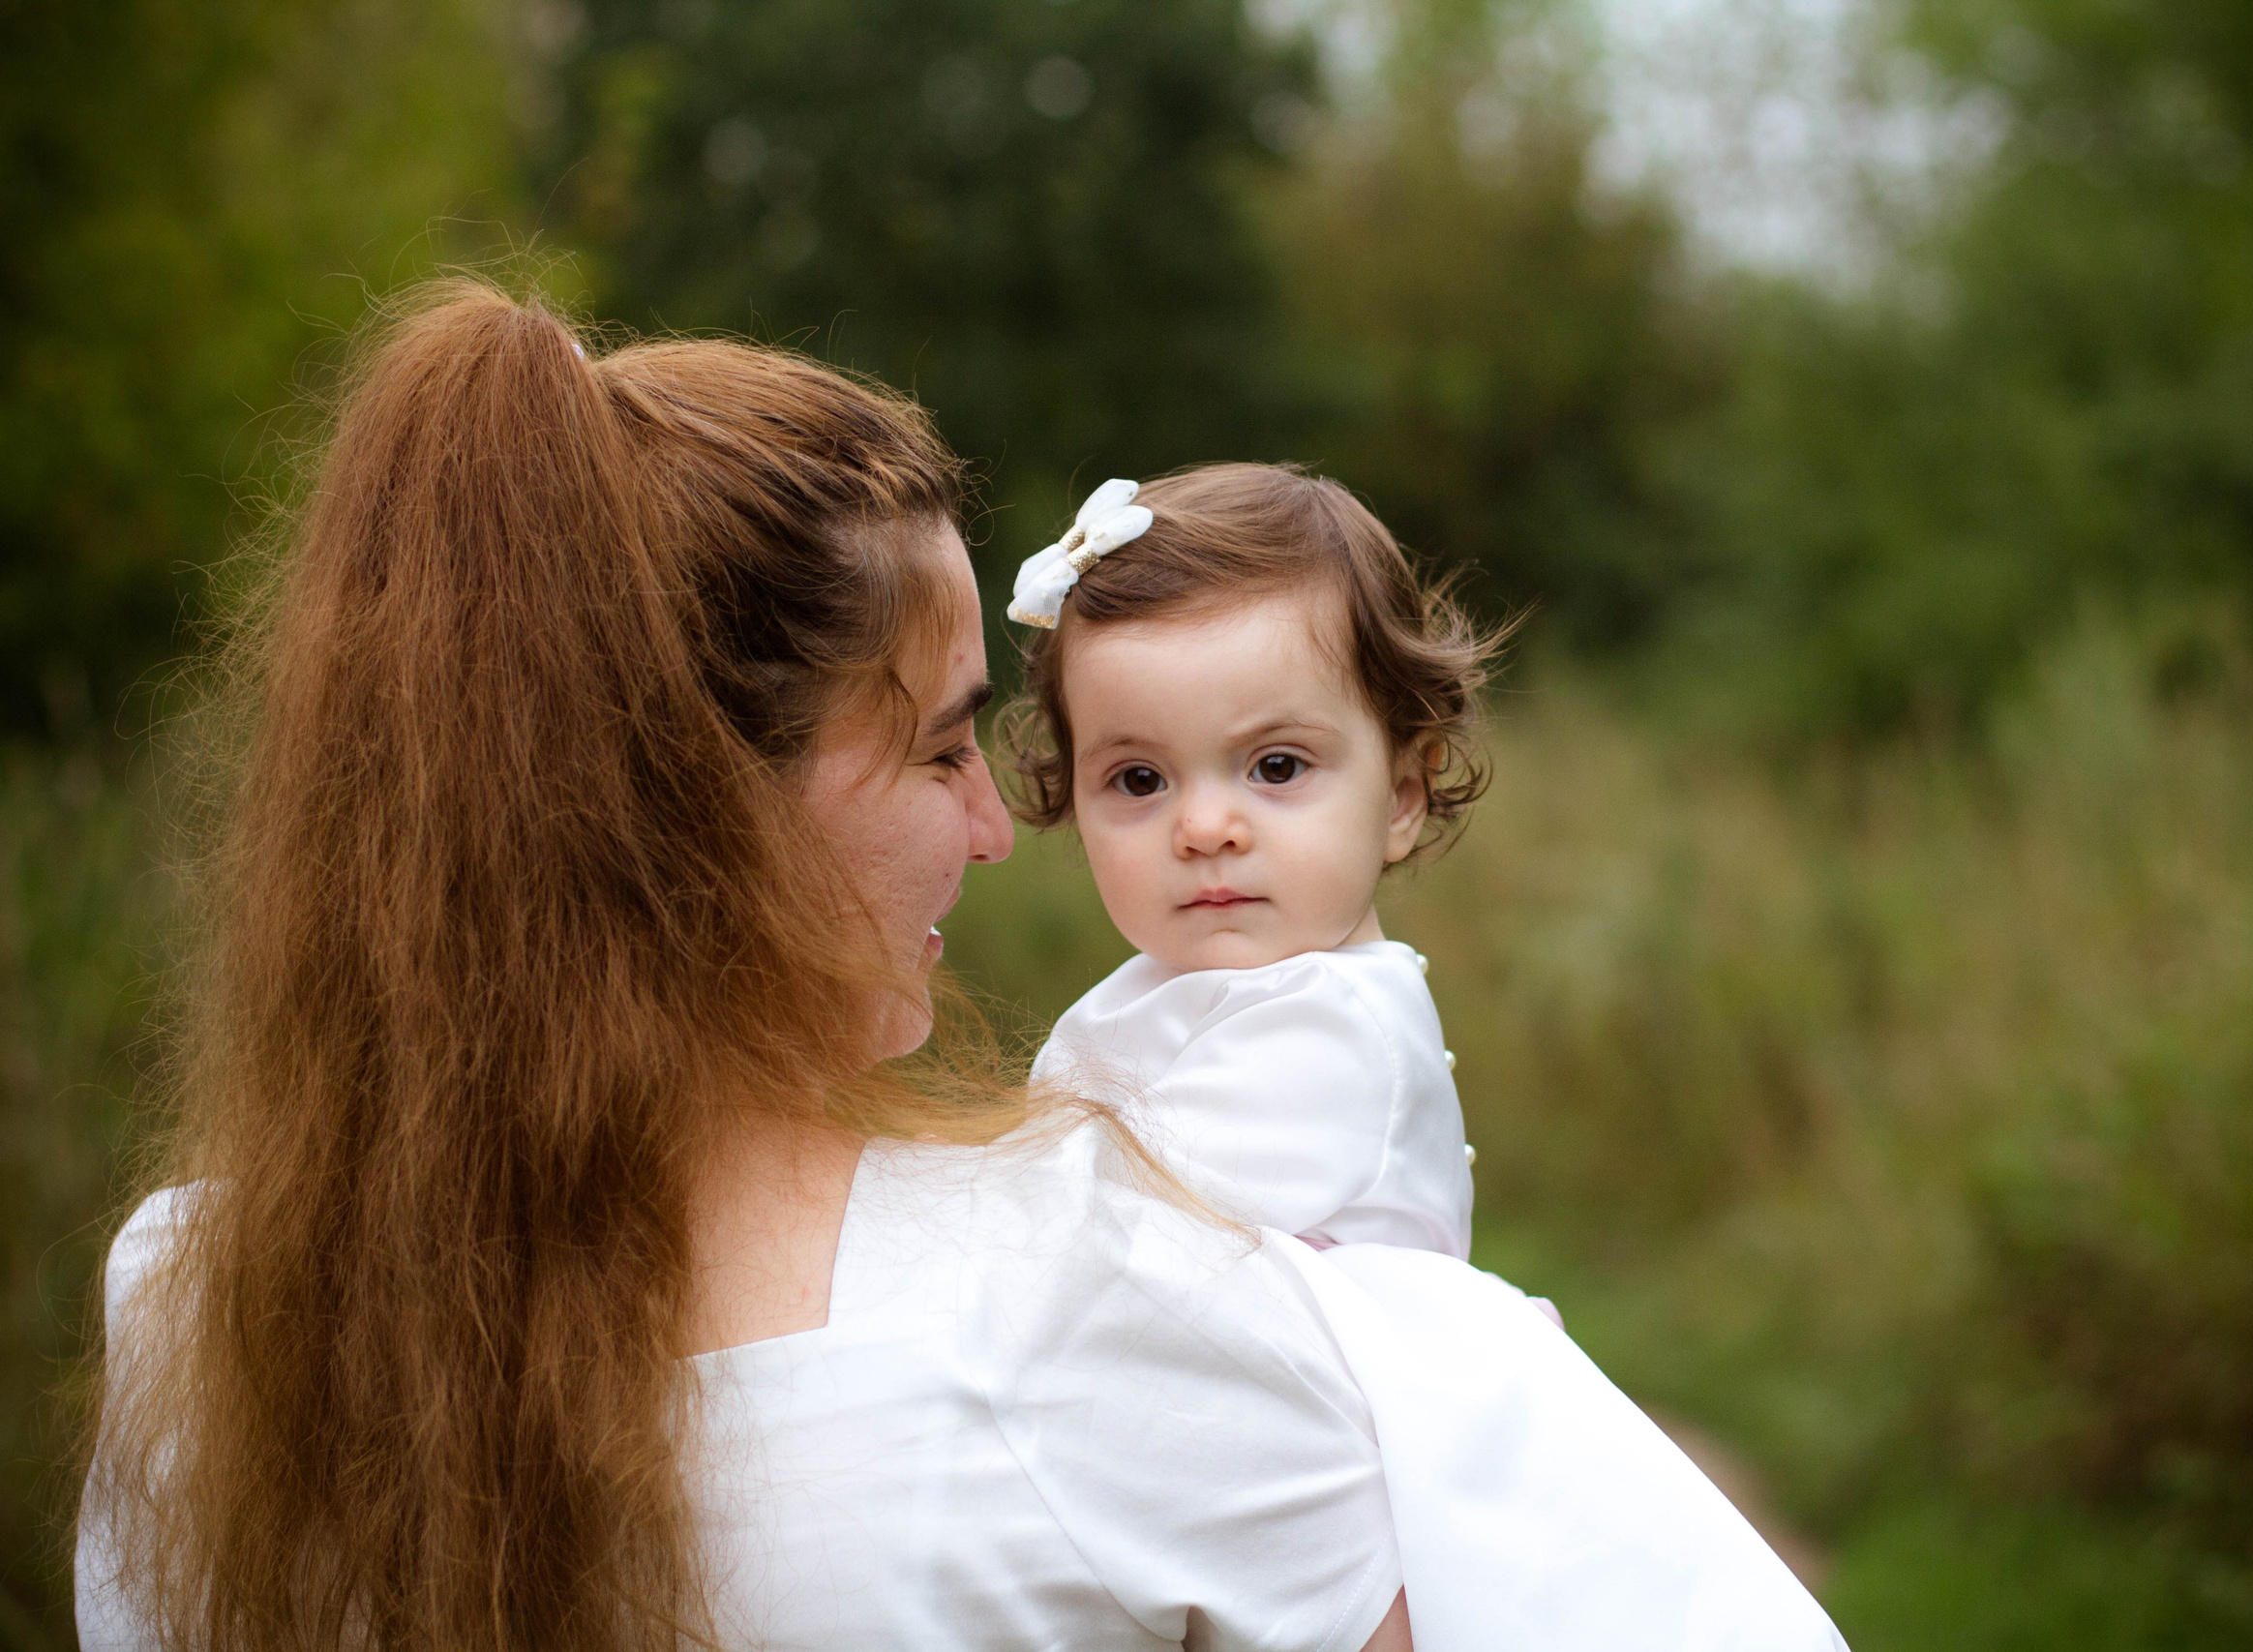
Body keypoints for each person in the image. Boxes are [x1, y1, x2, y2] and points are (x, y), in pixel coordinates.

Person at [77, 284, 1413, 1652]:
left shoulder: (191, 1308)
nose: (999, 827)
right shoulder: (1087, 1295)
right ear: (708, 809)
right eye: (943, 747)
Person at [1002, 466, 1849, 1651]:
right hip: (1229, 1457)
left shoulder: (1327, 1029)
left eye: (1276, 767)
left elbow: (1126, 1251)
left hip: (1340, 1491)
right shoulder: (1200, 989)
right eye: (1137, 780)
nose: (1204, 825)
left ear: (1402, 793)